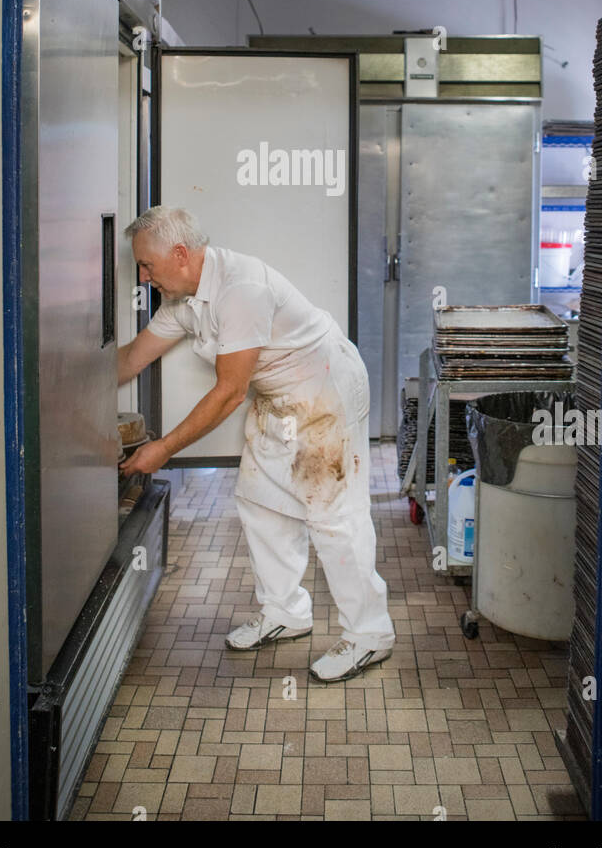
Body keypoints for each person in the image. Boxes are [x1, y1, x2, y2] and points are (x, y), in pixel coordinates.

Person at [118, 205, 395, 682]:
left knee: (332, 514)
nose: (143, 275)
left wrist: (162, 449)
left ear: (180, 254)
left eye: (147, 264)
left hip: (322, 386)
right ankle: (285, 612)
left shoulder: (238, 290)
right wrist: (66, 390)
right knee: (261, 500)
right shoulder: (182, 299)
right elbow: (132, 359)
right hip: (278, 395)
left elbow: (229, 392)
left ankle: (370, 634)